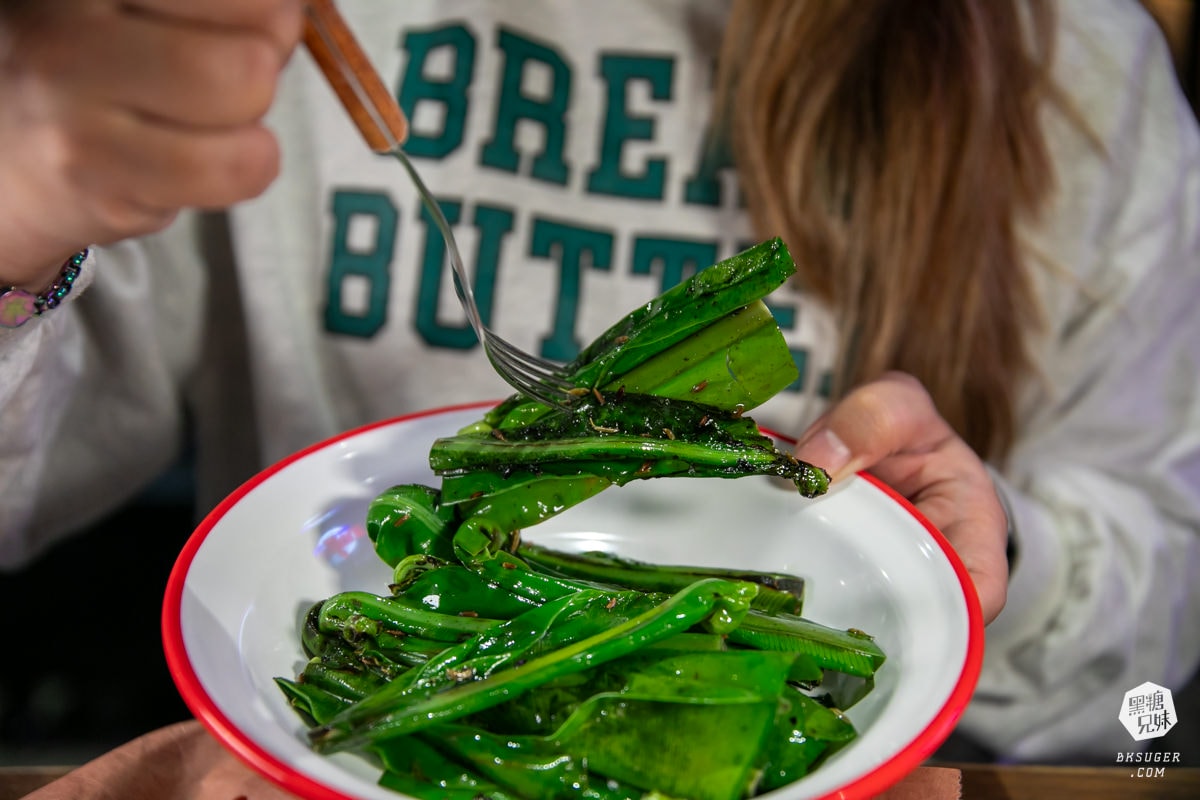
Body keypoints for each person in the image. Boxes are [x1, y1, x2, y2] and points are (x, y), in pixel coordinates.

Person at [0, 0, 1196, 765]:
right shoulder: (220, 26)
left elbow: (1155, 647)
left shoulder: (1074, 55)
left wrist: (992, 552)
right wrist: (16, 234)